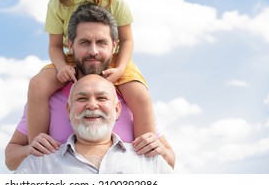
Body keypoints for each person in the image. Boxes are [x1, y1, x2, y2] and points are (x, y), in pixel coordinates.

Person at [5, 3, 176, 170]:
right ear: (70, 45)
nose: (93, 51)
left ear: (114, 46)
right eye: (85, 42)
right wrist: (30, 150)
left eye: (102, 42)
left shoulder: (132, 98)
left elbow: (168, 162)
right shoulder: (48, 97)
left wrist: (161, 151)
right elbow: (11, 159)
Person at [27, 0, 156, 149]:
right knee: (37, 85)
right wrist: (60, 67)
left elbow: (126, 41)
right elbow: (55, 45)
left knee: (139, 94)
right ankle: (38, 147)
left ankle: (147, 149)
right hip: (72, 58)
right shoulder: (57, 4)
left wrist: (121, 68)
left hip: (113, 59)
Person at [15, 74, 173, 174]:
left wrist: (162, 153)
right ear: (68, 110)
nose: (92, 105)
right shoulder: (40, 163)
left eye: (102, 98)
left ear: (117, 109)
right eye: (82, 99)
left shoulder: (149, 160)